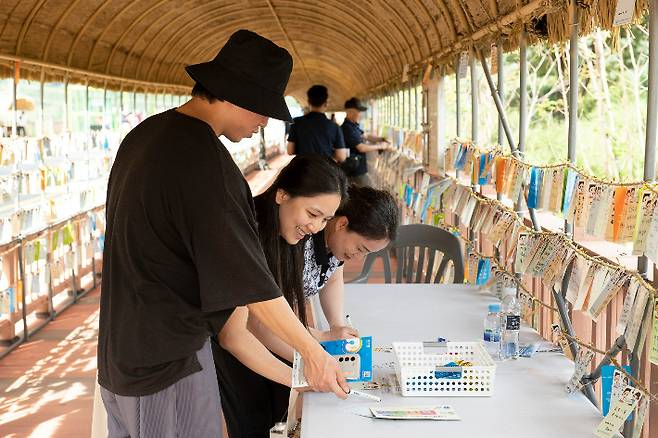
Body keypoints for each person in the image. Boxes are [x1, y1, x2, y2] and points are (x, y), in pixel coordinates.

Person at [97, 29, 348, 438]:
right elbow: (250, 282)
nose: (263, 122)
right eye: (261, 110)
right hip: (166, 360)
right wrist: (311, 353)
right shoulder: (204, 161)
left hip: (122, 350)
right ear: (234, 94)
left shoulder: (147, 135)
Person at [215, 184, 399, 437]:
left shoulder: (332, 245)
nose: (359, 258)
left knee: (275, 412)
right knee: (249, 414)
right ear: (343, 224)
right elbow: (256, 326)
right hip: (248, 344)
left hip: (273, 338)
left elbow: (333, 274)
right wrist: (312, 353)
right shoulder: (291, 242)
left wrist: (334, 326)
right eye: (361, 249)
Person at [287, 85, 347, 162]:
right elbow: (341, 157)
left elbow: (290, 151)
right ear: (326, 103)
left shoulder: (297, 122)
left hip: (302, 169)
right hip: (324, 170)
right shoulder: (334, 127)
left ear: (308, 102)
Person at [341, 97, 390, 186]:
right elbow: (361, 148)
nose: (360, 114)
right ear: (350, 111)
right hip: (354, 171)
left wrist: (381, 139)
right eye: (358, 111)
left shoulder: (353, 126)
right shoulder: (347, 128)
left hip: (358, 169)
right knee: (369, 193)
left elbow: (365, 136)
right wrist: (380, 146)